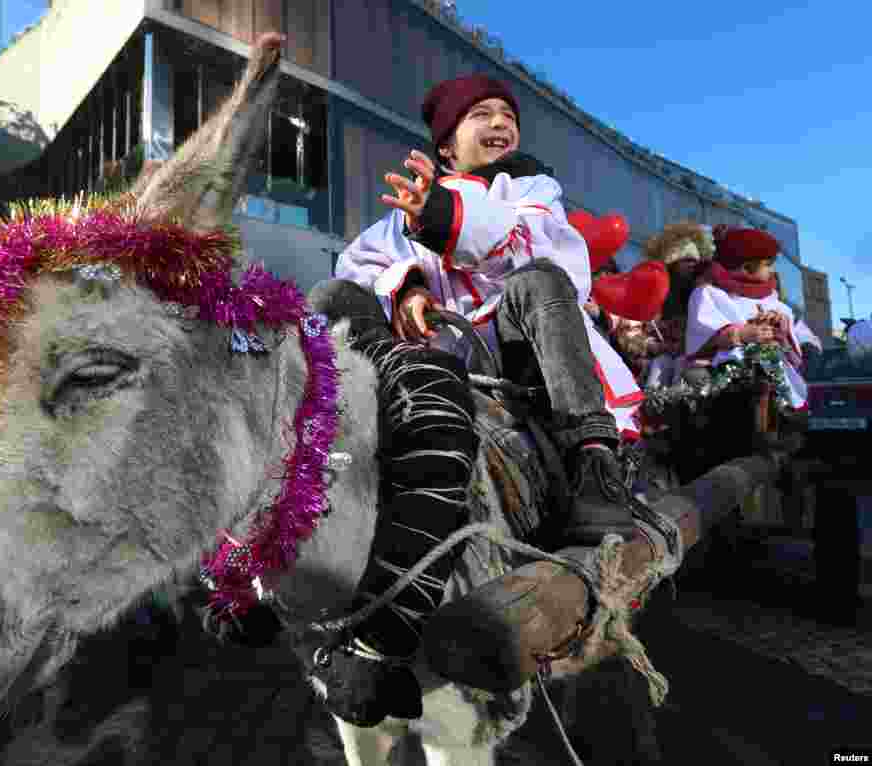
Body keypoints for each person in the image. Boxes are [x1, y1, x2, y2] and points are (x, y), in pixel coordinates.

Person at [307, 74, 649, 727]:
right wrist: (405, 286)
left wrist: (446, 218)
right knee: (332, 300)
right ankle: (315, 463)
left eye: (506, 115)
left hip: (524, 359)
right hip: (431, 369)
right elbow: (358, 265)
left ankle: (592, 461)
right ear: (446, 145)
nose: (500, 124)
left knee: (540, 280)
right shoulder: (401, 214)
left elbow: (549, 253)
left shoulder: (530, 190)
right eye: (481, 115)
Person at [683, 225, 807, 409]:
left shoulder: (774, 301)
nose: (773, 271)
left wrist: (780, 330)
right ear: (747, 268)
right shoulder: (709, 294)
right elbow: (700, 337)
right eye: (768, 265)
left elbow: (794, 356)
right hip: (727, 377)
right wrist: (740, 334)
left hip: (776, 377)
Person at [608, 222, 714, 387]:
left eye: (695, 261)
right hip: (652, 364)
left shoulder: (701, 291)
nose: (693, 265)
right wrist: (655, 346)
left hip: (690, 363)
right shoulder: (649, 291)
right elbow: (628, 330)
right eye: (687, 260)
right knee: (661, 364)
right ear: (672, 263)